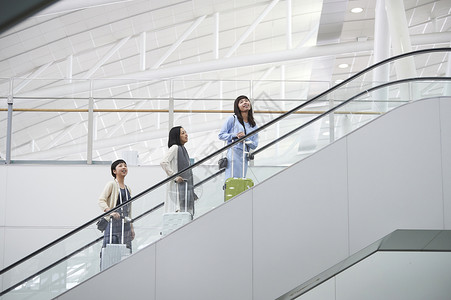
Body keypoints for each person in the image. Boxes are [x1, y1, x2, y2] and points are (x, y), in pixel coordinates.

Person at [219, 95, 259, 181]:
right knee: (232, 180)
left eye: (246, 101)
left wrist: (245, 138)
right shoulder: (232, 119)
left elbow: (255, 145)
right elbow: (221, 135)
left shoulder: (253, 125)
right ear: (237, 106)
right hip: (234, 153)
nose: (245, 102)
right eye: (241, 102)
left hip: (244, 156)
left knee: (241, 181)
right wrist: (235, 135)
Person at [98, 159, 135, 253]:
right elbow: (101, 200)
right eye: (120, 166)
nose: (124, 167)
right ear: (114, 171)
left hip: (125, 224)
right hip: (113, 223)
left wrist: (131, 228)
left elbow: (129, 210)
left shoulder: (128, 188)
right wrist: (111, 212)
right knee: (111, 251)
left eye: (125, 166)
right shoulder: (112, 184)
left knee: (125, 251)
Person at [160, 126, 197, 216]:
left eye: (185, 132)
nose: (186, 134)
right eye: (183, 133)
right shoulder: (175, 148)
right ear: (177, 136)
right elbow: (163, 162)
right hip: (177, 187)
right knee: (177, 211)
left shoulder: (183, 150)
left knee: (184, 213)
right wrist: (174, 176)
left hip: (184, 187)